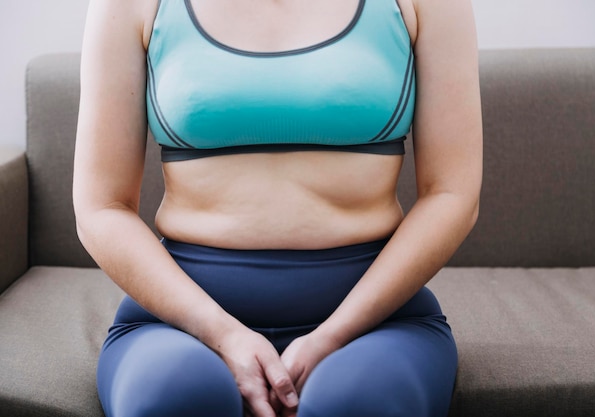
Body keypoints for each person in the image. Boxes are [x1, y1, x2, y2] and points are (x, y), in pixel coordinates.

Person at [73, 0, 482, 416]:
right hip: (177, 323)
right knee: (175, 397)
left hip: (379, 322)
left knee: (354, 403)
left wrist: (332, 336)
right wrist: (223, 334)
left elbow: (451, 195)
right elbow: (102, 208)